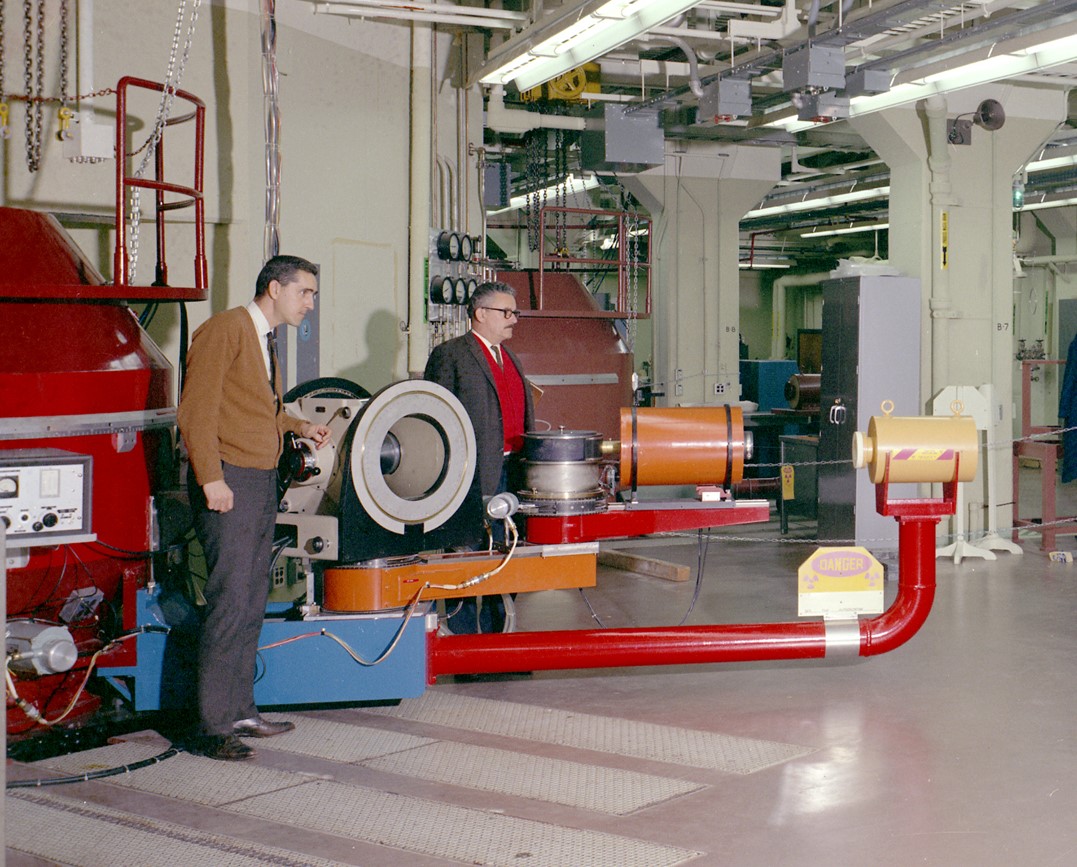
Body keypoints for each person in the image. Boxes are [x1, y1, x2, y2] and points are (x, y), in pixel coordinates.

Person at [177, 255, 331, 761]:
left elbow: (255, 406)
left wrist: (298, 425)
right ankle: (212, 724)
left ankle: (240, 708)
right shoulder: (225, 330)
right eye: (304, 292)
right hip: (231, 481)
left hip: (260, 482)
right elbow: (196, 410)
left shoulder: (264, 339)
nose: (309, 303)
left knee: (249, 599)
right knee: (229, 600)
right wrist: (211, 478)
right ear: (274, 287)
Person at [424, 281, 534, 633]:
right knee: (466, 556)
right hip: (470, 477)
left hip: (512, 473)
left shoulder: (510, 357)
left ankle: (499, 638)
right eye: (506, 312)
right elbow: (435, 420)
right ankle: (466, 641)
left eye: (514, 312)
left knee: (508, 555)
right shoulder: (451, 355)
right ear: (480, 313)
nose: (514, 319)